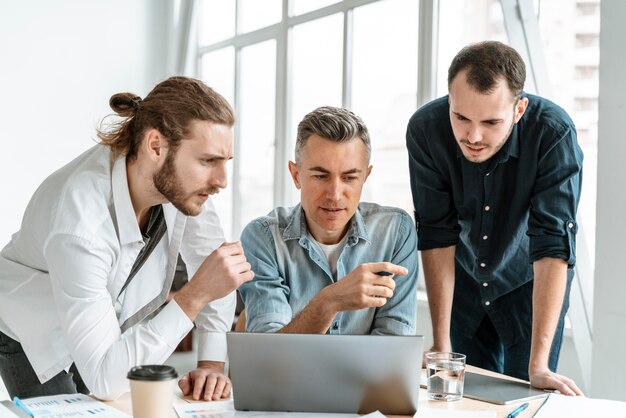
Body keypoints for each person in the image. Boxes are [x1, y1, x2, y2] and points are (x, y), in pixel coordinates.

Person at [0, 76, 254, 401]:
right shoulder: (81, 224)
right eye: (208, 161)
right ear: (156, 146)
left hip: (100, 315)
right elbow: (105, 377)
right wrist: (192, 297)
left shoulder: (185, 185)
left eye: (225, 161)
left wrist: (211, 366)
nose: (221, 181)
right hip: (31, 324)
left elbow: (215, 266)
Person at [406, 41, 583, 395]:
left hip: (527, 284)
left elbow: (552, 244)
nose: (472, 136)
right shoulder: (425, 130)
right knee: (468, 398)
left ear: (519, 110)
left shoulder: (553, 133)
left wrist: (540, 365)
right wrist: (441, 343)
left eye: (490, 122)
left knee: (526, 393)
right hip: (464, 280)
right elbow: (437, 234)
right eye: (461, 117)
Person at [238, 106, 417, 335]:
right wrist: (330, 301)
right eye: (321, 176)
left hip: (367, 374)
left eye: (350, 177)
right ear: (296, 175)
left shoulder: (396, 232)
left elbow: (394, 346)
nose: (334, 194)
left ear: (365, 178)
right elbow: (273, 355)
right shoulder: (263, 238)